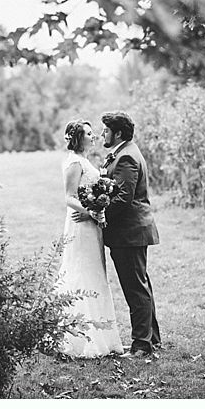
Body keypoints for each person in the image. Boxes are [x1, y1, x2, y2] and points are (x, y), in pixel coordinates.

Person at [75, 111, 161, 357]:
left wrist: (98, 214)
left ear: (118, 133)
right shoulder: (124, 152)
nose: (102, 134)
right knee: (140, 286)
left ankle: (142, 345)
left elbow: (123, 198)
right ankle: (151, 339)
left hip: (130, 233)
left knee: (135, 289)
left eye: (106, 130)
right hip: (130, 233)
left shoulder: (126, 158)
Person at [56, 120, 125, 358]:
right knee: (82, 271)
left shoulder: (86, 161)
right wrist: (91, 212)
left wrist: (99, 208)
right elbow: (69, 197)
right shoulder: (74, 162)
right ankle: (79, 338)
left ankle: (102, 334)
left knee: (95, 272)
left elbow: (89, 192)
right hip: (80, 225)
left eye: (92, 132)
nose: (93, 135)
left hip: (92, 226)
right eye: (87, 133)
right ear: (76, 138)